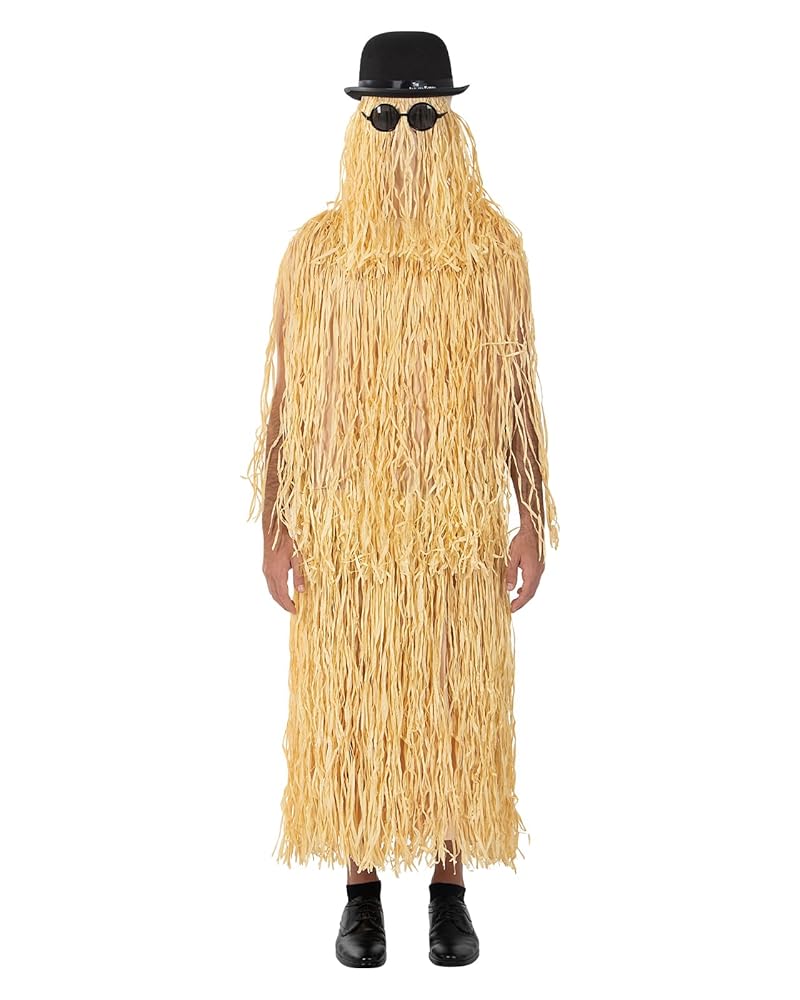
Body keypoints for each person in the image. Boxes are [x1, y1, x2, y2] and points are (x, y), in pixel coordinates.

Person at [244, 31, 559, 968]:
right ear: (359, 124)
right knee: (355, 703)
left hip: (458, 532)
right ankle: (361, 892)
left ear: (451, 123)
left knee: (456, 702)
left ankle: (450, 893)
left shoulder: (494, 254)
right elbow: (284, 404)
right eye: (385, 115)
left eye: (424, 115)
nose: (405, 132)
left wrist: (532, 519)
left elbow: (519, 394)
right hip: (348, 533)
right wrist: (275, 527)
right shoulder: (316, 256)